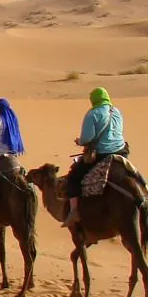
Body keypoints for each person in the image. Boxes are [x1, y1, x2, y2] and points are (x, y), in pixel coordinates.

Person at [62, 87, 128, 227]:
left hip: (102, 154)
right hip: (122, 152)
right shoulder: (116, 111)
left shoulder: (93, 114)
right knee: (132, 173)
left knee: (73, 178)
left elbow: (87, 138)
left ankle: (74, 211)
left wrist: (80, 141)